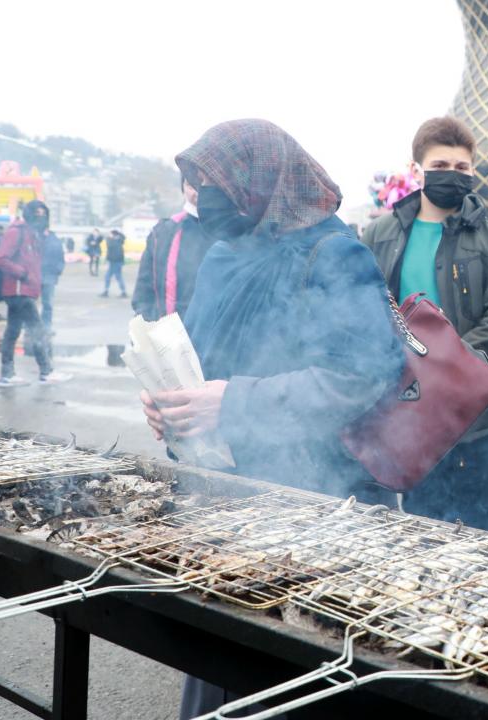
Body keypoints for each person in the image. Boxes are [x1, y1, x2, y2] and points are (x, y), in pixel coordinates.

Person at [135, 120, 404, 720]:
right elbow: (199, 364)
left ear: (260, 180)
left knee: (292, 686)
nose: (201, 197)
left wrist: (233, 403)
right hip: (226, 503)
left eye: (213, 182)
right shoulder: (223, 255)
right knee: (216, 675)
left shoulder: (334, 253)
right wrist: (171, 404)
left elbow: (361, 375)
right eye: (194, 183)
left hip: (321, 508)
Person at [361, 116, 488, 534]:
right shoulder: (379, 235)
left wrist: (446, 368)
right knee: (421, 531)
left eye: (461, 167)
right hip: (412, 417)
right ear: (417, 170)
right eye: (440, 166)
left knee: (486, 536)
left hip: (483, 419)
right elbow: (366, 313)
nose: (452, 174)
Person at [0, 201, 71, 386]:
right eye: (37, 214)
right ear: (29, 214)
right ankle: (46, 371)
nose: (40, 217)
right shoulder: (17, 232)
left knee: (12, 331)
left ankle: (7, 374)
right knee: (37, 331)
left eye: (43, 214)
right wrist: (23, 274)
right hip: (18, 291)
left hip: (25, 290)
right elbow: (0, 259)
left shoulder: (33, 235)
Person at [132, 179, 216, 321]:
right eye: (191, 184)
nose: (198, 191)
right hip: (173, 328)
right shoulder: (163, 232)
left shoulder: (235, 231)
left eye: (205, 184)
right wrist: (148, 324)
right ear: (183, 188)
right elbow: (144, 290)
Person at [39, 219, 65, 335]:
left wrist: (58, 270)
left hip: (49, 275)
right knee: (29, 304)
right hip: (34, 275)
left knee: (47, 304)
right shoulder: (33, 238)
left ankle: (46, 327)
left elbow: (61, 258)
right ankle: (31, 327)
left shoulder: (55, 241)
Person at [101, 229, 127, 297]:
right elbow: (123, 237)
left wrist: (116, 234)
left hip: (114, 262)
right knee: (117, 276)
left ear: (113, 235)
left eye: (110, 234)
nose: (109, 235)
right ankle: (123, 291)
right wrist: (119, 233)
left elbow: (108, 242)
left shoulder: (111, 241)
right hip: (118, 261)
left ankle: (106, 291)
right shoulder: (120, 240)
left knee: (110, 277)